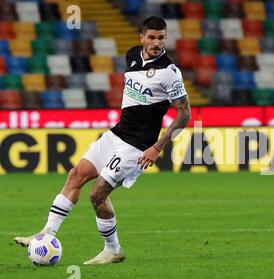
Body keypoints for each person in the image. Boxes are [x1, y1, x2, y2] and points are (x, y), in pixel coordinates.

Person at [14, 16, 191, 264]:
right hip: (116, 134)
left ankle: (113, 249)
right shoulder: (132, 56)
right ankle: (45, 233)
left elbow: (185, 114)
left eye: (161, 38)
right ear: (141, 38)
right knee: (77, 174)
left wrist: (157, 147)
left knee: (97, 194)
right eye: (151, 37)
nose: (156, 43)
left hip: (137, 146)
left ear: (165, 38)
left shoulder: (169, 72)